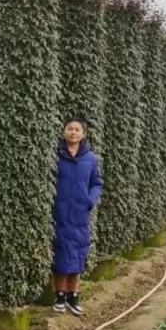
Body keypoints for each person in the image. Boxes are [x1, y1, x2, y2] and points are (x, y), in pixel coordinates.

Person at [51, 117, 103, 316]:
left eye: (77, 129)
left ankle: (74, 296)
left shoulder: (90, 159)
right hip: (60, 212)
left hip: (80, 214)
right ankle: (60, 296)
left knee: (78, 253)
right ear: (64, 132)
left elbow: (96, 183)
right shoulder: (56, 155)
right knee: (60, 253)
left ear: (83, 134)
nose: (73, 132)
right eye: (69, 129)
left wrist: (90, 200)